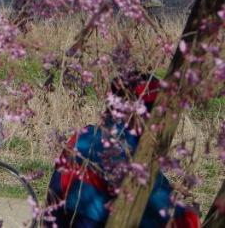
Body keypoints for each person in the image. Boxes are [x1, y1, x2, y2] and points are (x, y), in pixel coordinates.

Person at [46, 72, 200, 228]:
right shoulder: (132, 155)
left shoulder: (82, 136)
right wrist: (190, 214)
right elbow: (164, 211)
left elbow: (54, 197)